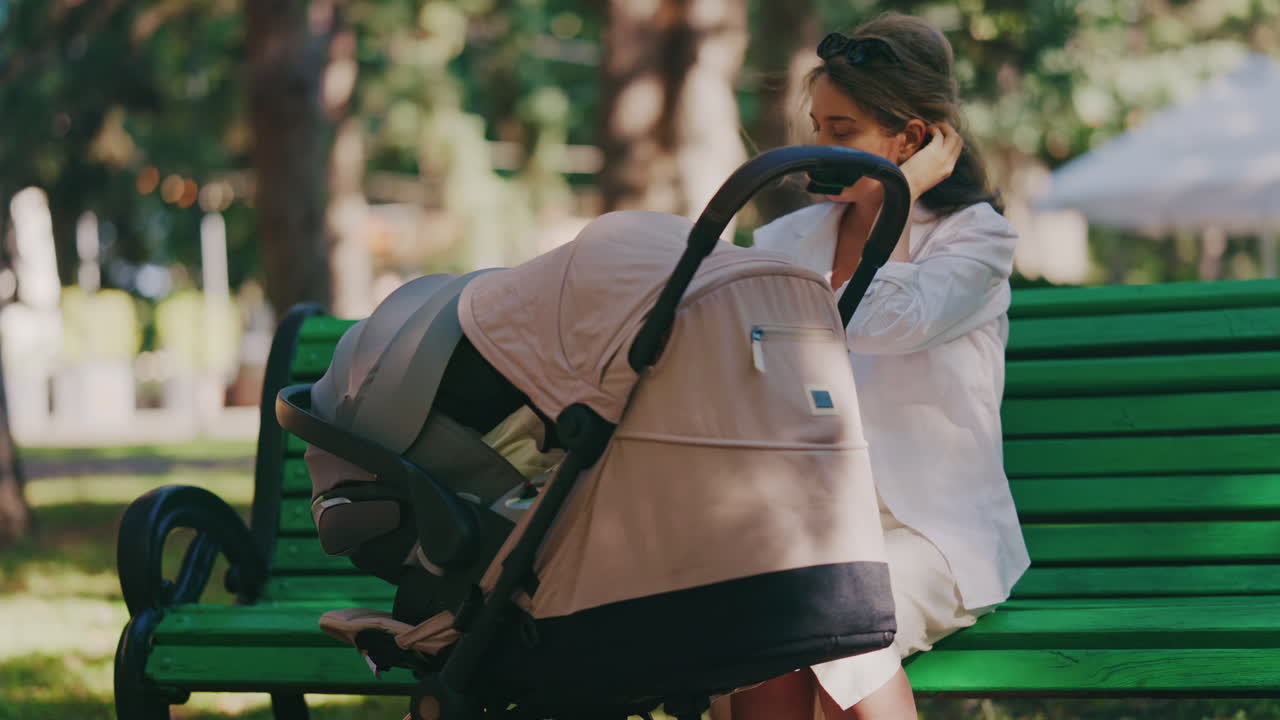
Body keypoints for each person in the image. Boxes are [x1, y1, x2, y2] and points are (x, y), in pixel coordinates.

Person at [719, 12, 1031, 720]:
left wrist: (900, 194)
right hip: (810, 525)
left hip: (931, 533)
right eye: (819, 125)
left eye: (843, 130)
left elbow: (884, 321)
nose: (820, 146)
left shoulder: (976, 243)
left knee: (841, 628)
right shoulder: (785, 241)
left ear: (912, 139)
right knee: (756, 634)